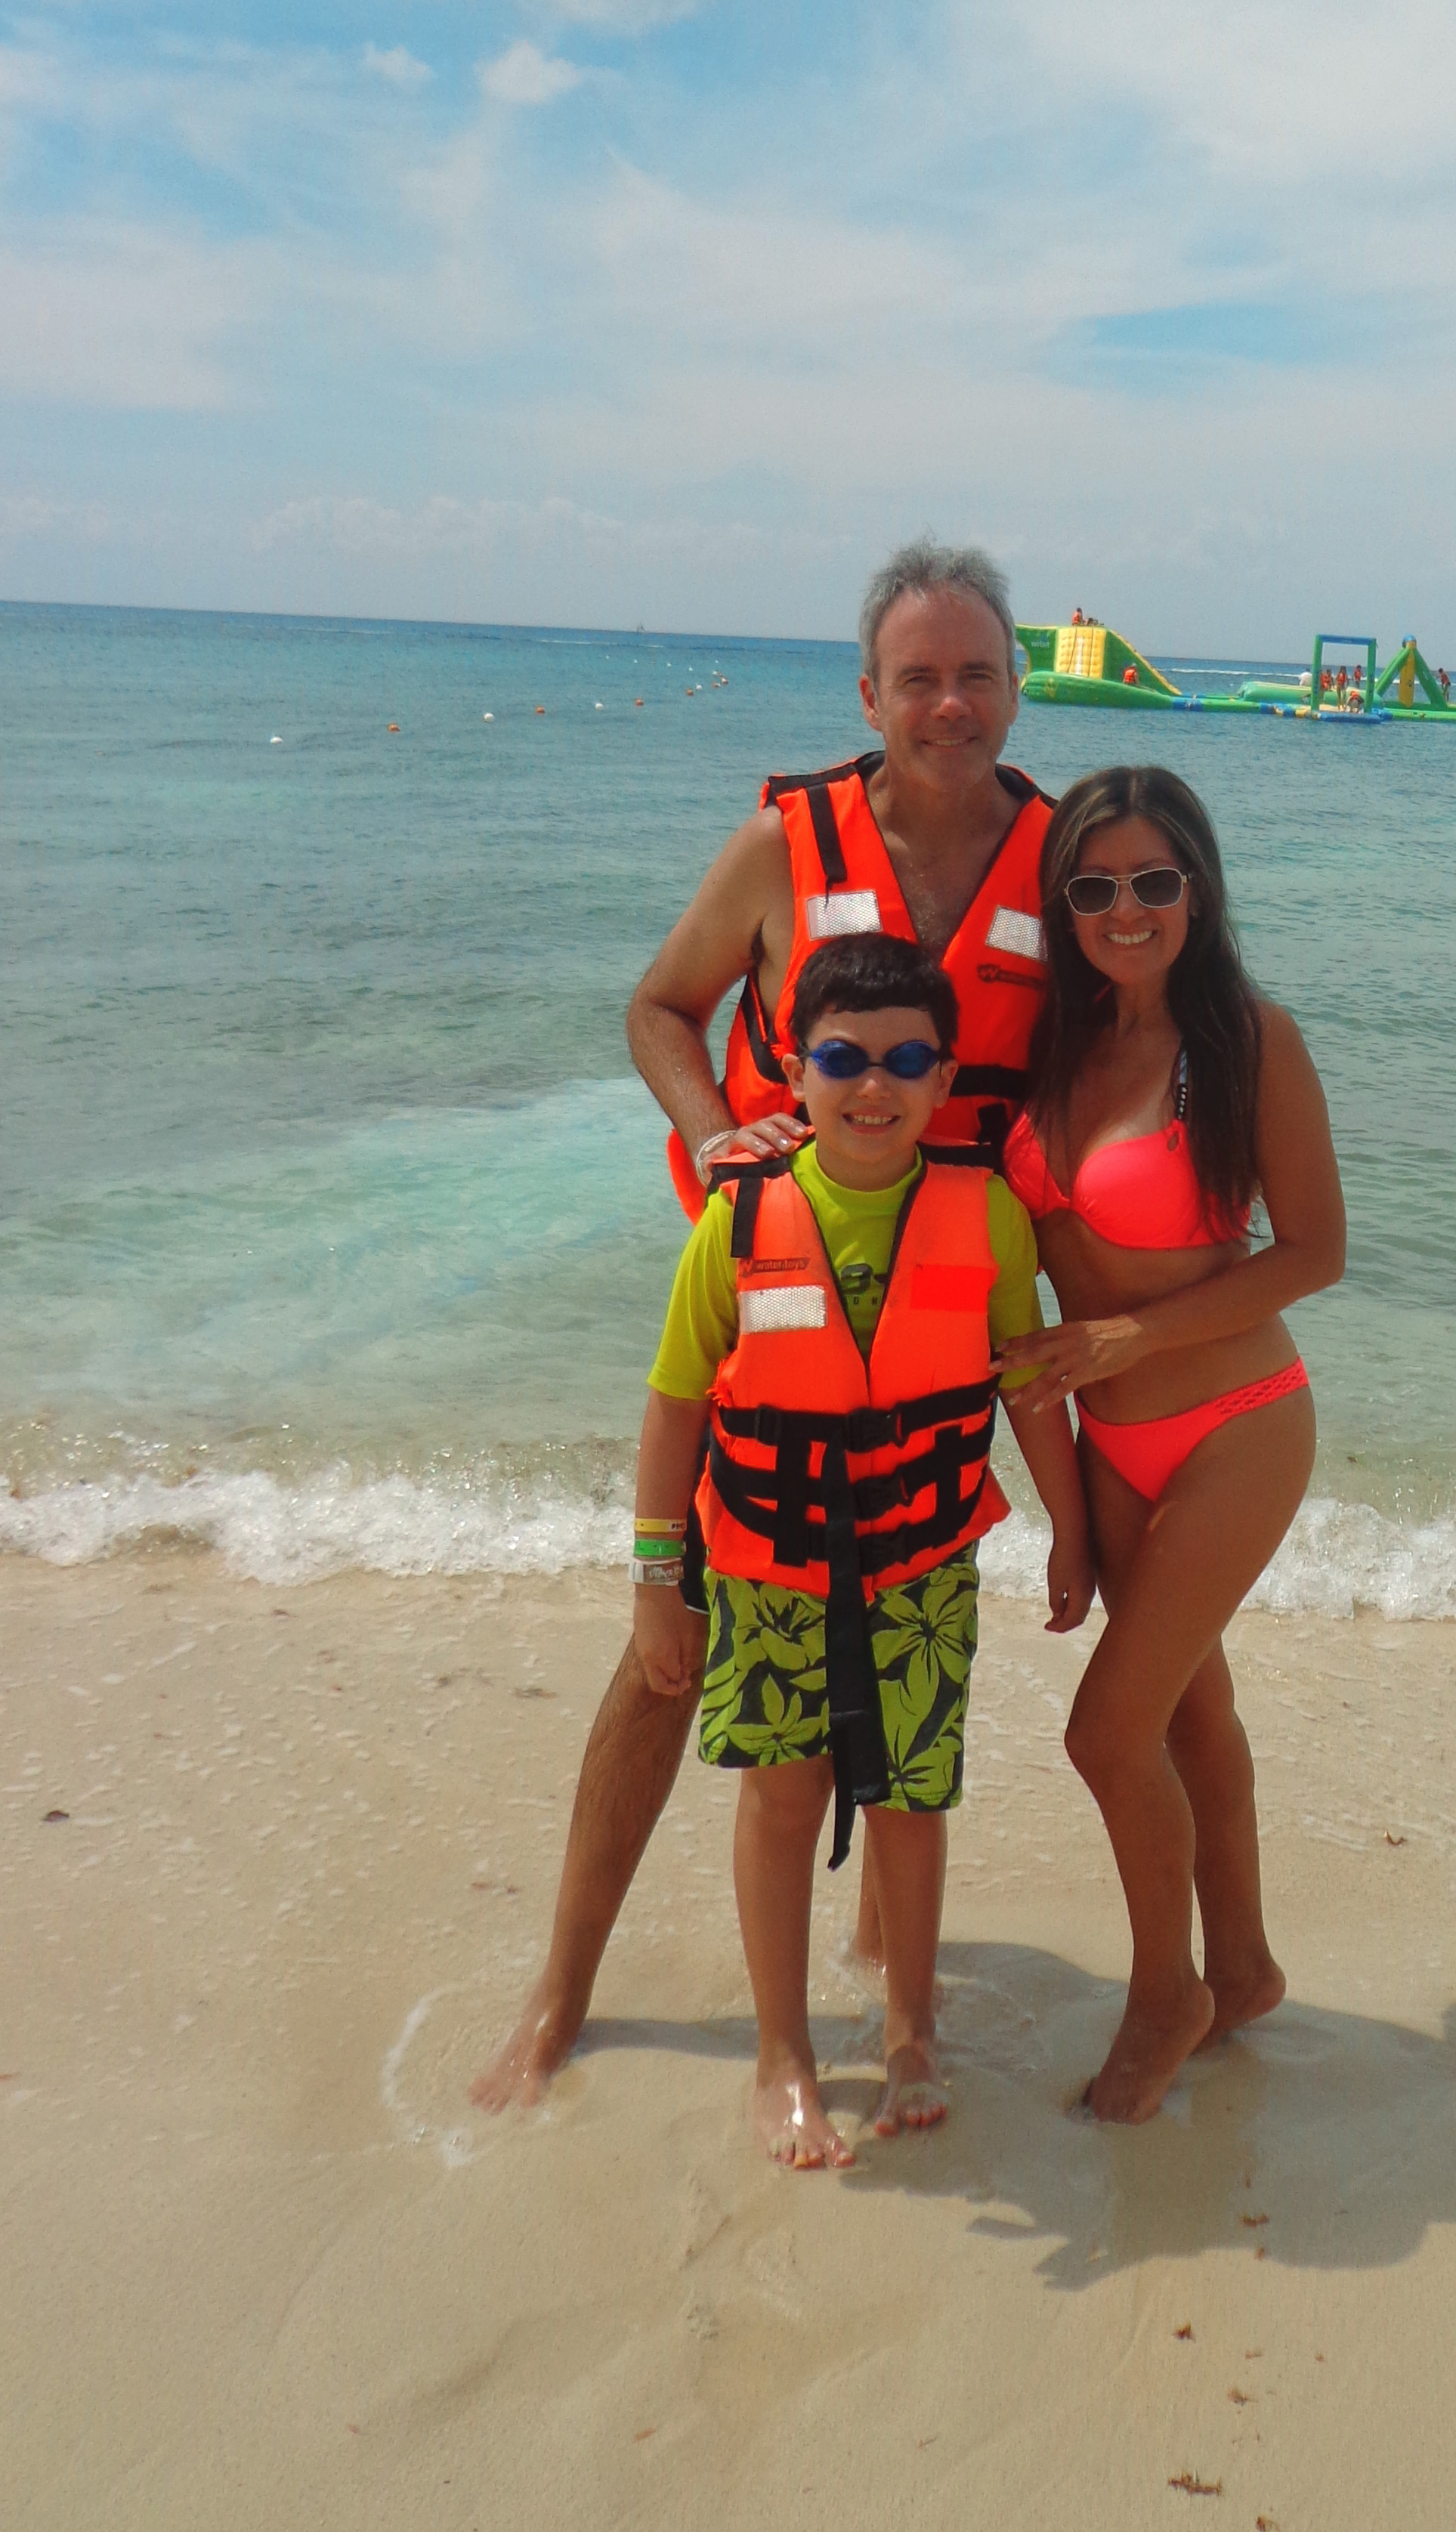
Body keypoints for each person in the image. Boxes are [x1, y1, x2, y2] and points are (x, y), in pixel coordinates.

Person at [474, 538, 1053, 2110]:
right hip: (773, 1316)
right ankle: (563, 1986)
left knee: (905, 1652)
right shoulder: (782, 847)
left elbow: (1128, 1025)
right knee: (670, 1658)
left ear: (1016, 688)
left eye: (977, 674)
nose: (949, 703)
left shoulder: (1061, 859)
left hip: (942, 1325)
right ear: (870, 695)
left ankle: (887, 1973)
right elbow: (659, 1006)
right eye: (919, 677)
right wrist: (712, 1131)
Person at [632, 931, 1092, 2165]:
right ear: (795, 1072)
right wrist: (655, 1585)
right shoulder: (738, 1219)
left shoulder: (987, 1214)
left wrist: (1070, 1530)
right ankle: (782, 2055)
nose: (873, 1085)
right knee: (782, 1798)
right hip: (767, 1566)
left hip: (922, 1567)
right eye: (842, 1059)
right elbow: (674, 1405)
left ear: (946, 1078)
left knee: (911, 1798)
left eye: (904, 1060)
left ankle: (911, 2033)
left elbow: (1028, 1387)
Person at [998, 767, 1346, 2121]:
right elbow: (1025, 1304)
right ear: (1064, 904)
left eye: (1154, 880)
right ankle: (1241, 1968)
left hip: (1235, 1430)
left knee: (1106, 1734)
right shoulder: (1052, 1049)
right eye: (1094, 886)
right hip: (1109, 1450)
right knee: (1191, 1714)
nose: (1125, 910)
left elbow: (1314, 1253)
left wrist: (1135, 1340)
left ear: (1197, 889)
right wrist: (1065, 1516)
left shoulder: (1249, 1040)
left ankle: (1166, 1995)